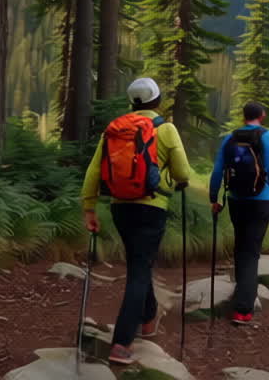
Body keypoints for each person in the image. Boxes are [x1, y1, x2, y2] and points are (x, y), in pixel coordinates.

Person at [81, 77, 190, 366]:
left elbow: (94, 171)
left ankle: (148, 318)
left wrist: (89, 209)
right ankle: (121, 342)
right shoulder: (165, 129)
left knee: (139, 264)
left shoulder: (114, 130)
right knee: (139, 271)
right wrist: (174, 179)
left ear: (133, 102)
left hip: (120, 208)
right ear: (157, 99)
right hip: (152, 208)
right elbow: (183, 172)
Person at [209, 101, 269, 325]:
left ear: (243, 116)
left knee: (241, 245)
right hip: (261, 201)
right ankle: (243, 309)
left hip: (235, 199)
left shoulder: (230, 139)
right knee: (251, 251)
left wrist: (213, 198)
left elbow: (218, 170)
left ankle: (242, 289)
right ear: (262, 116)